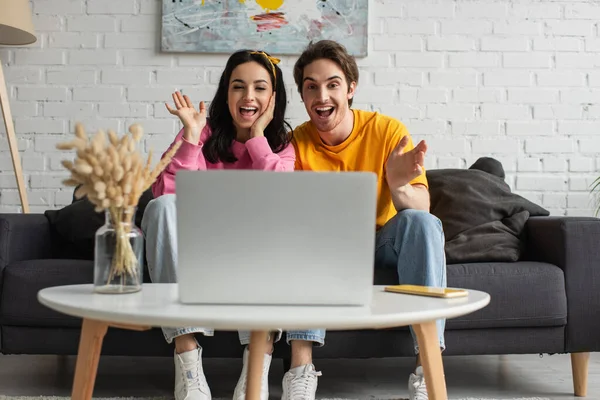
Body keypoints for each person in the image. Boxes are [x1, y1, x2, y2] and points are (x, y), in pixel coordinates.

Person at [140, 50, 323, 400]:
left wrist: (256, 137)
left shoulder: (282, 146)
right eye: (238, 87)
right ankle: (187, 357)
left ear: (273, 98)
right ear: (226, 93)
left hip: (251, 254)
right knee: (161, 207)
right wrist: (191, 137)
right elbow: (167, 196)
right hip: (198, 250)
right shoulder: (200, 133)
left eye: (259, 88)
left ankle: (258, 358)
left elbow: (282, 198)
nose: (248, 97)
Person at [290, 40, 447, 400]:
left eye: (332, 84)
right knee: (299, 235)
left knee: (422, 224)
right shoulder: (296, 142)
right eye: (311, 86)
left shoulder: (388, 131)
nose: (322, 95)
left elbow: (420, 206)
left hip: (382, 242)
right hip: (328, 246)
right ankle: (300, 370)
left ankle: (428, 368)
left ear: (350, 89)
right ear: (302, 95)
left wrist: (398, 185)